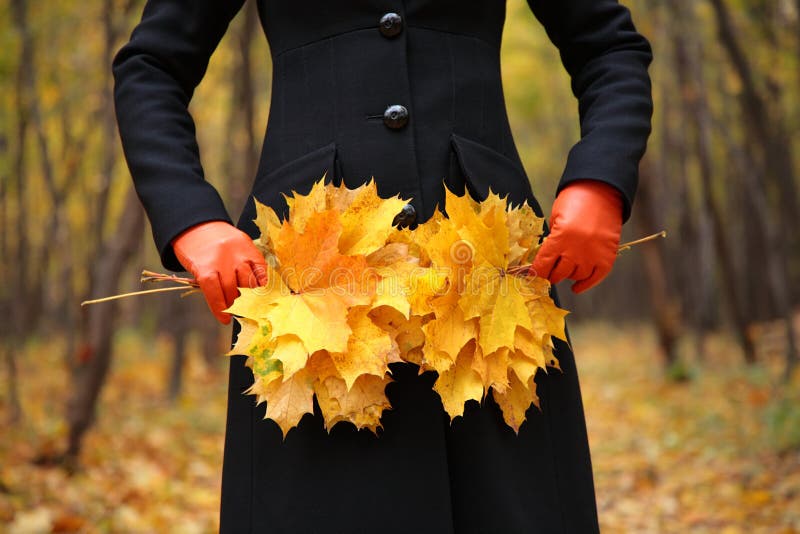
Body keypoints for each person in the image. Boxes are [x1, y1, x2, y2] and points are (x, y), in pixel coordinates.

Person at [112, 1, 653, 532]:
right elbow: (152, 66)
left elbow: (608, 46)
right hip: (307, 283)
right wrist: (191, 219)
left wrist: (599, 179)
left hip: (492, 281)